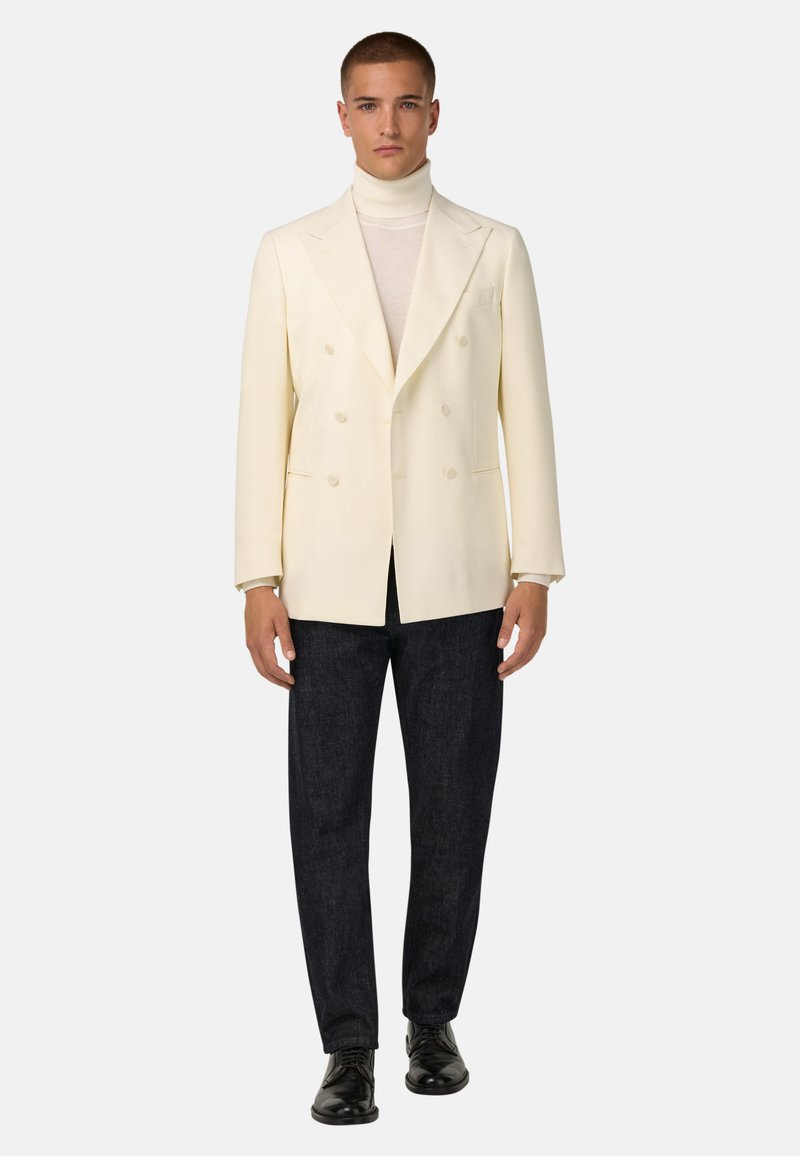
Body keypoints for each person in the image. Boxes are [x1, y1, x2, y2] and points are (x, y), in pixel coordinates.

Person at [233, 30, 566, 1125]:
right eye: (368, 104)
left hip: (458, 570)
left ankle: (432, 1019)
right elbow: (262, 418)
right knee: (325, 813)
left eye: (407, 103)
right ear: (341, 116)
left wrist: (534, 566)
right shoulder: (289, 251)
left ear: (434, 113)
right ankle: (348, 1046)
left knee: (454, 808)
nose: (388, 123)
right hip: (326, 575)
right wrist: (257, 574)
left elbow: (527, 412)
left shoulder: (493, 247)